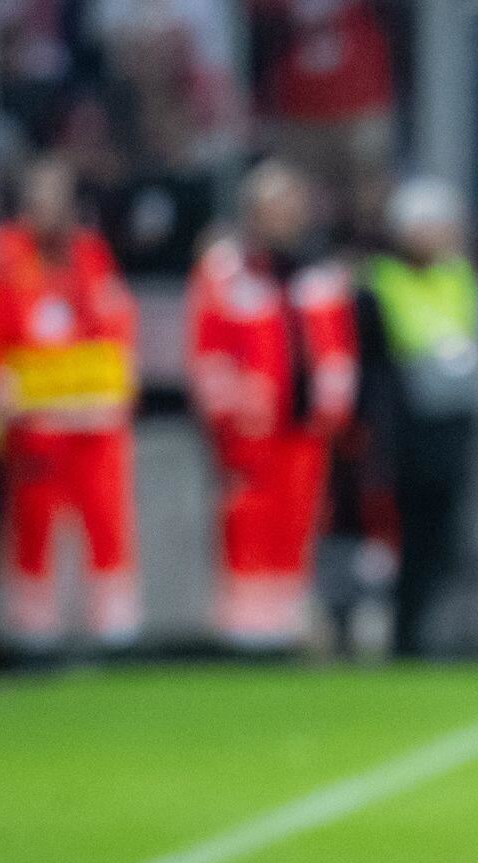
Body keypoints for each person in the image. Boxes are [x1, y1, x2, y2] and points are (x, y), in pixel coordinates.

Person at [0, 159, 140, 652]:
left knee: (105, 521)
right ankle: (33, 634)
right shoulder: (5, 257)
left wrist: (114, 374)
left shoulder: (89, 253)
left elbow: (112, 319)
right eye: (39, 199)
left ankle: (113, 630)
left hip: (90, 421)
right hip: (34, 426)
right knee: (33, 528)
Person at [187, 160, 357, 649]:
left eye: (290, 209)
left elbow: (337, 351)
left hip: (304, 431)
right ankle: (244, 633)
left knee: (296, 527)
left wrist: (333, 411)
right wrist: (229, 411)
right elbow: (207, 352)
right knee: (246, 527)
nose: (283, 220)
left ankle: (284, 627)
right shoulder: (224, 271)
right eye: (273, 210)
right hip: (248, 434)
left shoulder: (319, 275)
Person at [358, 178, 478, 656]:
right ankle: (403, 632)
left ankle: (429, 627)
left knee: (442, 533)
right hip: (402, 430)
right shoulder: (380, 283)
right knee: (402, 534)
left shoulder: (457, 276)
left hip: (451, 423)